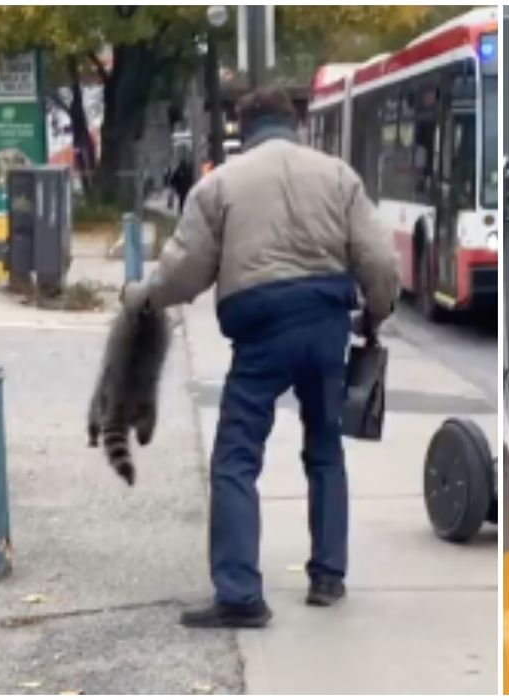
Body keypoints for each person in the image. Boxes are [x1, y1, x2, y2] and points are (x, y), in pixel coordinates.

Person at [122, 87, 401, 626]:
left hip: (260, 329)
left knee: (236, 456)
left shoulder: (221, 184)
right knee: (324, 447)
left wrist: (141, 297)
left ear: (243, 128)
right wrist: (374, 316)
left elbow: (184, 271)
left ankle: (240, 594)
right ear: (294, 122)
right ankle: (328, 576)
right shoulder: (339, 177)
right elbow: (379, 261)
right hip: (325, 325)